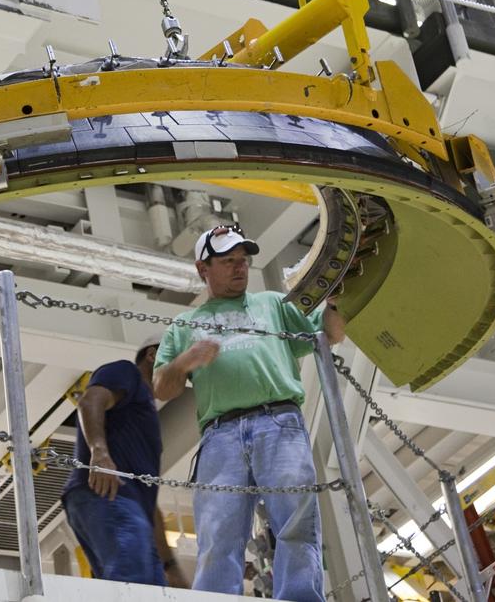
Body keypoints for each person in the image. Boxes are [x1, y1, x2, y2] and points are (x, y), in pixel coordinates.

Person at [153, 225, 346, 602]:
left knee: (295, 516)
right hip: (220, 433)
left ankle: (301, 597)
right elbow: (161, 387)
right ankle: (214, 598)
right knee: (218, 528)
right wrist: (184, 364)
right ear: (202, 269)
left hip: (279, 421)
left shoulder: (273, 303)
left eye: (243, 261)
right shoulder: (183, 326)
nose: (240, 268)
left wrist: (336, 303)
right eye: (228, 261)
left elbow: (329, 334)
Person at [61, 339, 188, 588]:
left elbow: (149, 502)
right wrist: (99, 453)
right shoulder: (126, 372)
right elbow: (89, 402)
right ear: (152, 355)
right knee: (133, 584)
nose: (184, 377)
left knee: (145, 589)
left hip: (127, 503)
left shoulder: (144, 416)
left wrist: (169, 565)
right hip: (108, 493)